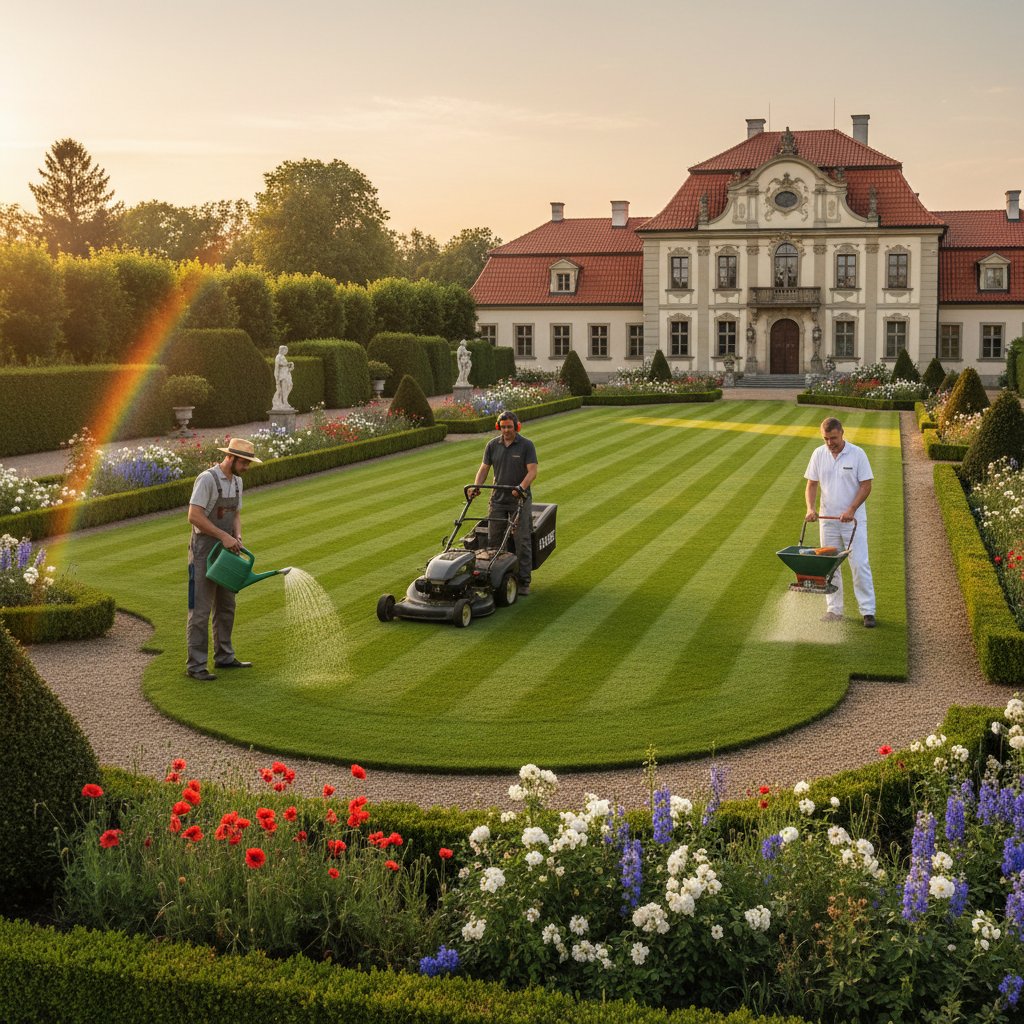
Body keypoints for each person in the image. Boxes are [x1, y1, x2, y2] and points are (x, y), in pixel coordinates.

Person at [185, 437, 262, 680]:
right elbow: (194, 516)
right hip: (203, 550)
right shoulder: (207, 479)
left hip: (227, 550)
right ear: (231, 457)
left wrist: (237, 536)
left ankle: (224, 656)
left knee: (227, 606)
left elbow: (236, 514)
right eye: (244, 462)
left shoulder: (238, 482)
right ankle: (196, 666)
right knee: (200, 610)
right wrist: (222, 536)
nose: (247, 467)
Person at [804, 417, 876, 627]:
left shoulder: (857, 454)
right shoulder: (818, 454)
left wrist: (852, 509)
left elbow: (866, 486)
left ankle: (868, 611)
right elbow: (811, 485)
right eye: (825, 438)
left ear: (842, 433)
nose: (829, 443)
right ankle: (834, 610)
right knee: (830, 565)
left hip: (854, 521)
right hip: (828, 520)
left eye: (833, 438)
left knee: (859, 564)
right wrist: (810, 508)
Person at [470, 411, 538, 595]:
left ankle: (524, 581)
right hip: (498, 499)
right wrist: (476, 486)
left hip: (519, 500)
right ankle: (495, 578)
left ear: (517, 426)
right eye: (503, 427)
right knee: (494, 540)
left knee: (521, 540)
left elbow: (532, 471)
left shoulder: (526, 445)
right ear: (498, 427)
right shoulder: (492, 445)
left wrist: (521, 488)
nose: (506, 430)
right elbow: (484, 468)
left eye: (510, 427)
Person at [273, 345, 294, 410]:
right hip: (282, 375)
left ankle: (285, 400)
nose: (286, 351)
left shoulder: (283, 356)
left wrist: (291, 366)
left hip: (286, 373)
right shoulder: (278, 357)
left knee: (290, 386)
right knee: (284, 389)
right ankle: (284, 402)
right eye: (285, 350)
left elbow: (285, 365)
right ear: (282, 350)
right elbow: (277, 367)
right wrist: (276, 376)